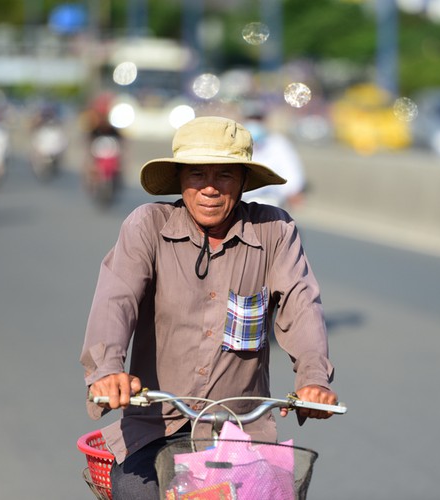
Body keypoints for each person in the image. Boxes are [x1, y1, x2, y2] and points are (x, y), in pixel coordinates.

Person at [80, 115, 337, 499]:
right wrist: (107, 370)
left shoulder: (275, 231)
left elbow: (301, 306)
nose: (210, 189)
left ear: (245, 182)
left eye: (225, 176)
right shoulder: (148, 225)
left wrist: (313, 380)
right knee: (137, 492)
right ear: (180, 179)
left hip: (241, 436)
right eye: (197, 174)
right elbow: (116, 300)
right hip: (155, 429)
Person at [241, 106, 306, 209]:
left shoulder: (278, 143)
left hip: (272, 202)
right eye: (251, 119)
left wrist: (293, 191)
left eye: (258, 119)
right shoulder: (236, 144)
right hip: (242, 202)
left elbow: (291, 170)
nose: (254, 123)